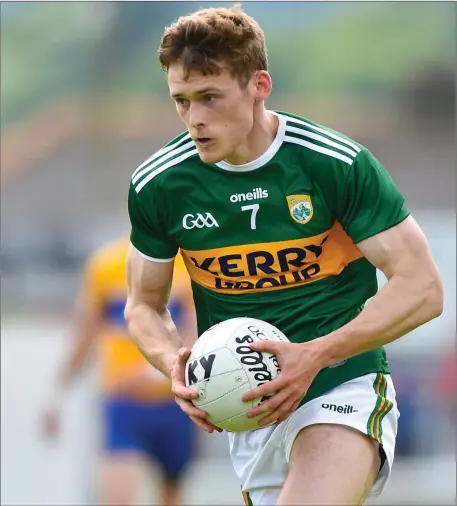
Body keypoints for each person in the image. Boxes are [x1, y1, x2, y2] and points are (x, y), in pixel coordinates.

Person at [124, 6, 443, 506]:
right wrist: (174, 366)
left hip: (341, 386)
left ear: (259, 85)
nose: (195, 119)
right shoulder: (159, 185)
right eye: (182, 102)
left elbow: (422, 287)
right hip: (247, 410)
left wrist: (315, 356)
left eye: (210, 97)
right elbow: (144, 304)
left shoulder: (334, 164)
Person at [42, 236, 196, 506]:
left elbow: (196, 334)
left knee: (172, 493)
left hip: (176, 402)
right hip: (123, 402)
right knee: (117, 493)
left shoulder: (188, 264)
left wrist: (155, 372)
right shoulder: (105, 264)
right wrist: (57, 394)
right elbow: (85, 336)